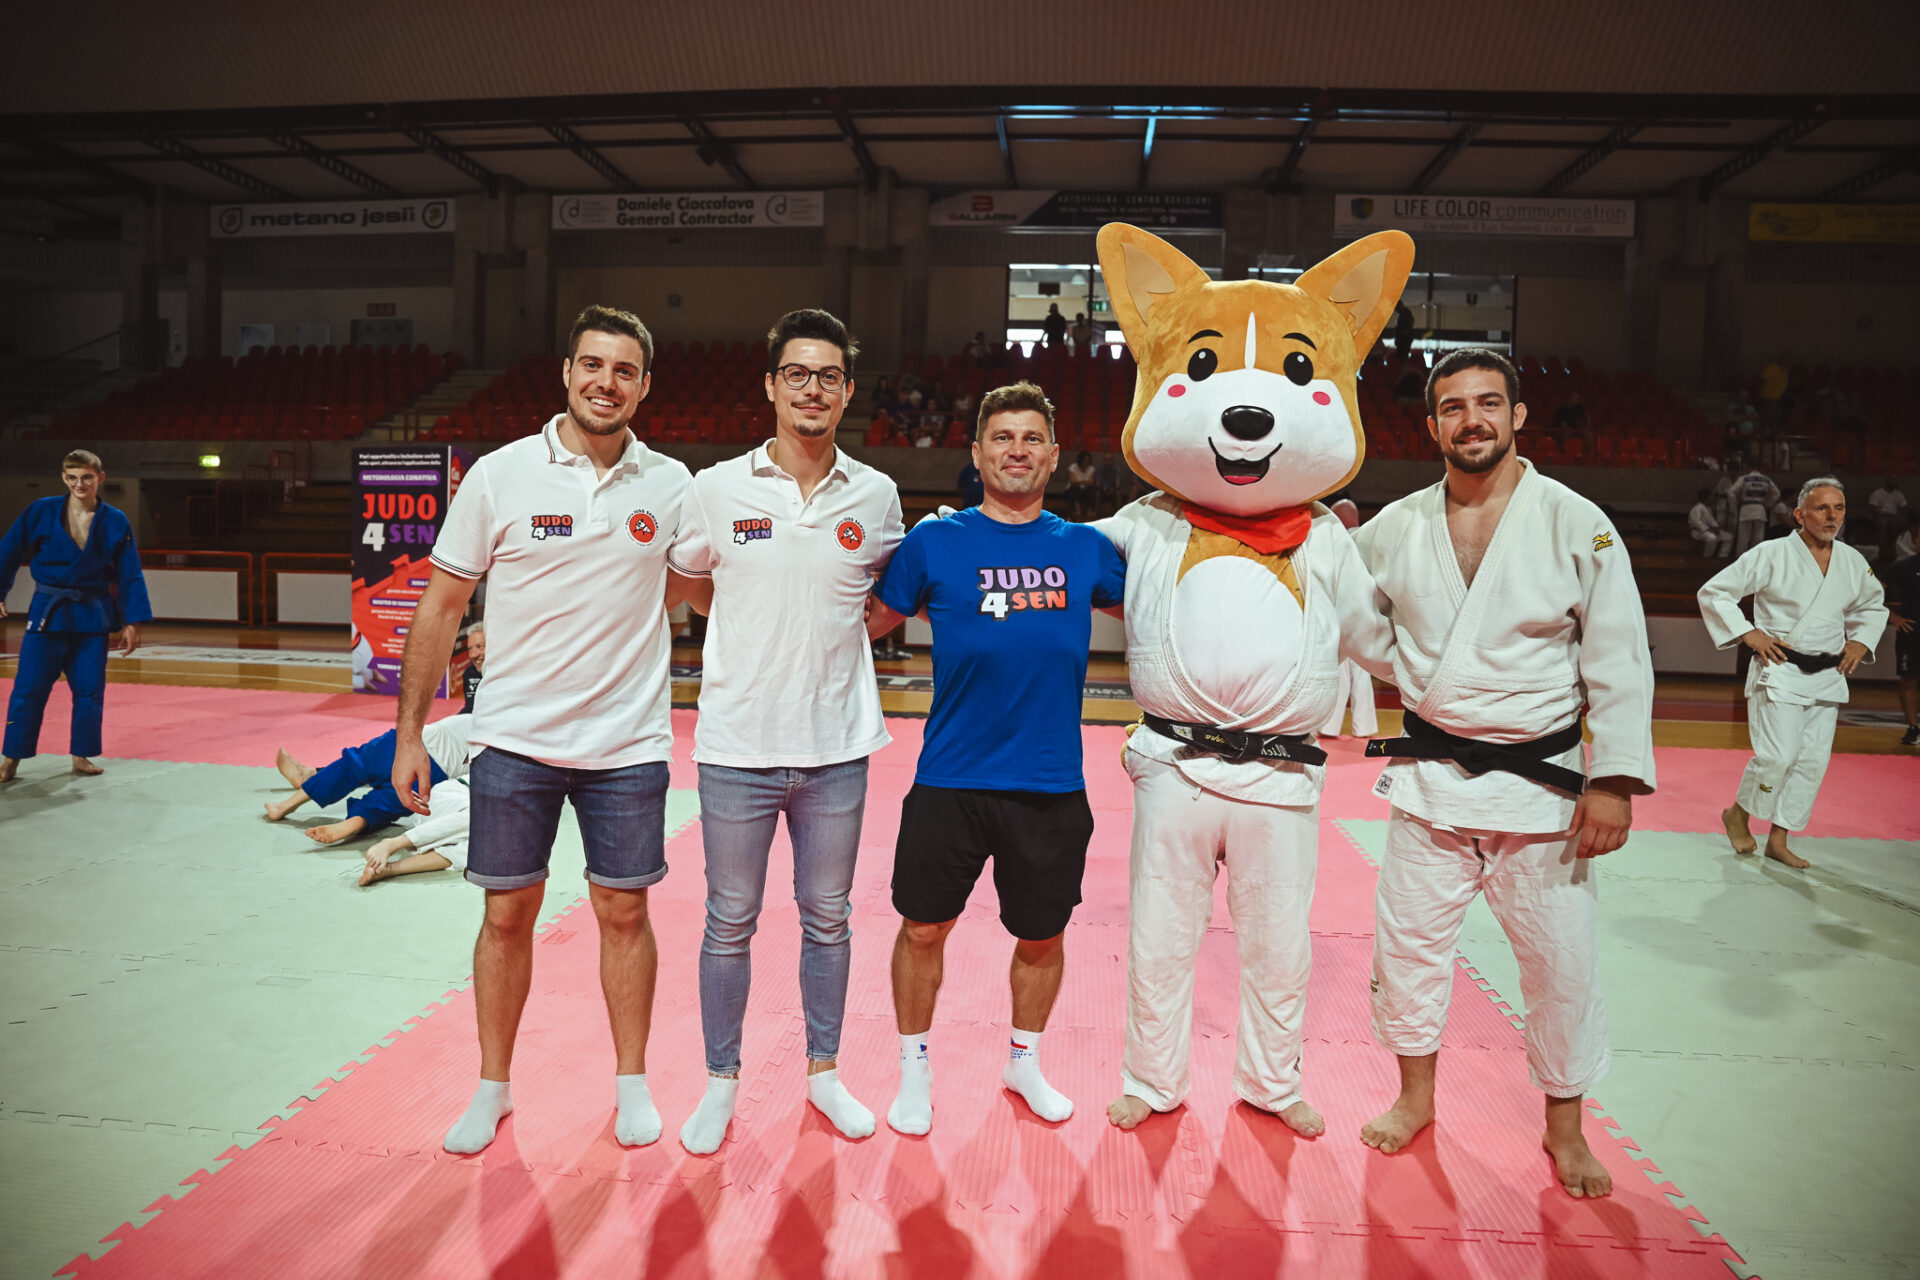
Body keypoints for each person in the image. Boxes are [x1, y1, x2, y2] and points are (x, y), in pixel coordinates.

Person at [1353, 349, 1657, 1200]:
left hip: (1546, 787)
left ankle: (1566, 1128)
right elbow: (1351, 621)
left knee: (1561, 965)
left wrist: (1613, 780)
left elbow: (1619, 655)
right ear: (1432, 425)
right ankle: (1415, 1099)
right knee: (1408, 952)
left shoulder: (1576, 522)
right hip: (1432, 780)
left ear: (1518, 416)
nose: (1472, 420)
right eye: (1453, 407)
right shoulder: (1395, 526)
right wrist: (1420, 679)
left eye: (1488, 403)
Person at [390, 304, 694, 1155]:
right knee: (506, 914)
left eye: (624, 370)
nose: (606, 382)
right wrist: (411, 735)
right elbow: (442, 605)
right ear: (567, 372)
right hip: (515, 739)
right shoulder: (501, 475)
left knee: (624, 912)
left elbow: (696, 586)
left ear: (644, 386)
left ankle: (631, 1085)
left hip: (627, 744)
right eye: (593, 364)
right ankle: (492, 1088)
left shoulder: (673, 484)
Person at [664, 309, 904, 1154]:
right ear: (770, 385)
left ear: (847, 390)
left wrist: (838, 635)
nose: (813, 389)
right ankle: (719, 1083)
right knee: (728, 920)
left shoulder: (876, 495)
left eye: (828, 376)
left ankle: (825, 1073)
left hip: (837, 749)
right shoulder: (715, 488)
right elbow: (691, 585)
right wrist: (748, 618)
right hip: (737, 746)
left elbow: (888, 598)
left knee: (828, 918)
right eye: (797, 374)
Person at [864, 382, 1125, 1135]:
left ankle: (1024, 1061)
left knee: (1041, 936)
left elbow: (1167, 609)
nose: (1017, 450)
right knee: (922, 929)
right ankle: (914, 1068)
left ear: (1054, 455)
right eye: (1002, 438)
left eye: (1032, 438)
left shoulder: (1085, 550)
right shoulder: (933, 543)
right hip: (949, 779)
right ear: (976, 454)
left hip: (1050, 783)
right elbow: (860, 619)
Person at [1700, 478, 1888, 868]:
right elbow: (1716, 592)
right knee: (1779, 757)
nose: (1832, 516)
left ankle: (1778, 838)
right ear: (1799, 514)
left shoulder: (1852, 561)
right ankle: (1738, 813)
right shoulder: (1771, 553)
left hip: (1829, 672)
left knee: (1811, 763)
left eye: (1839, 507)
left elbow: (1872, 605)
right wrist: (1749, 633)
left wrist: (1860, 641)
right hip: (1781, 668)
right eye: (1822, 508)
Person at [1, 449, 152, 783]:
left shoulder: (115, 520)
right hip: (48, 612)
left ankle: (81, 755)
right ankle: (11, 758)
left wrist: (133, 620)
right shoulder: (41, 511)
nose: (78, 484)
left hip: (92, 615)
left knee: (89, 690)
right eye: (72, 477)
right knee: (28, 689)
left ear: (100, 478)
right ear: (63, 478)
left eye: (86, 477)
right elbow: (8, 550)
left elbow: (129, 573)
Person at [265, 712, 472, 845]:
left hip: (410, 743)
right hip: (435, 771)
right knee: (388, 804)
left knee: (352, 767)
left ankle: (285, 806)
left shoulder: (482, 714)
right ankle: (351, 825)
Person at [1318, 491, 1379, 738]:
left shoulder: (1338, 541)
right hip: (1368, 613)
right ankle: (1365, 727)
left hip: (1340, 611)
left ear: (1338, 519)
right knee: (1362, 671)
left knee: (1338, 668)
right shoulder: (1369, 539)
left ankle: (1329, 726)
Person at [361, 776, 472, 885]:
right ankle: (393, 843)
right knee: (475, 819)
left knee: (476, 853)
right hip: (454, 794)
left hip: (460, 819)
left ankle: (389, 869)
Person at [1884, 547, 1920, 747]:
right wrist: (1893, 617)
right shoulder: (1903, 567)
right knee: (1909, 680)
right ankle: (1913, 727)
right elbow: (1871, 594)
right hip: (1912, 633)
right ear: (1916, 539)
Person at [1731, 463, 1781, 556]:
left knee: (1743, 539)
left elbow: (1731, 493)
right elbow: (1777, 493)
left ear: (1748, 467)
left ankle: (1741, 561)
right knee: (1758, 539)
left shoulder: (1744, 478)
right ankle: (1757, 560)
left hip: (1746, 508)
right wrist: (1768, 505)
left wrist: (1734, 506)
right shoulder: (1766, 479)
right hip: (1760, 509)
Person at [1868, 477, 1908, 564]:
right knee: (1883, 523)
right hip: (1881, 516)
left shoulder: (1898, 494)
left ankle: (1895, 548)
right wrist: (1881, 515)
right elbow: (1873, 507)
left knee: (1895, 523)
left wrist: (1898, 516)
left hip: (1894, 517)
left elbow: (1903, 507)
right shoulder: (1878, 493)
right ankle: (1881, 550)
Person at [1688, 488, 1734, 558]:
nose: (1713, 498)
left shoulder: (1708, 508)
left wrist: (1716, 528)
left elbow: (1711, 521)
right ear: (1706, 498)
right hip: (1698, 532)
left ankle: (1722, 556)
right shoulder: (1697, 508)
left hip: (1709, 530)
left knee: (1729, 537)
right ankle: (1707, 556)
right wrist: (1709, 529)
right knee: (1712, 537)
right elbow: (1697, 522)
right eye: (1711, 496)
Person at [459, 621, 486, 714]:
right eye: (470, 648)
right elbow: (470, 708)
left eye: (479, 647)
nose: (473, 655)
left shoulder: (505, 674)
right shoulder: (469, 673)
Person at [1065, 450, 1097, 520]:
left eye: (1088, 460)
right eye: (1085, 460)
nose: (1087, 462)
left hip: (1085, 489)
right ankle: (1077, 510)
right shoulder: (1073, 467)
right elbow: (1072, 481)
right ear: (1081, 460)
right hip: (1072, 489)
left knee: (1091, 490)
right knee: (1075, 488)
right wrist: (1085, 482)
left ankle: (1089, 511)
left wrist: (1079, 482)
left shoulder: (1091, 468)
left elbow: (1091, 482)